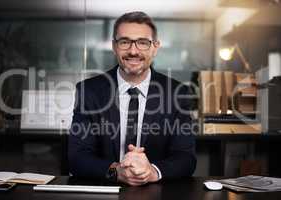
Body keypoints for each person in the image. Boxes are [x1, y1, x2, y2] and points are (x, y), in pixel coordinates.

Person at [68, 11, 196, 186]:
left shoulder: (178, 93)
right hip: (105, 191)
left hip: (157, 192)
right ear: (114, 46)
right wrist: (116, 171)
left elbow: (186, 158)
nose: (133, 51)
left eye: (143, 43)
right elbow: (77, 157)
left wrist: (152, 172)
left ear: (155, 47)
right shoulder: (89, 91)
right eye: (125, 42)